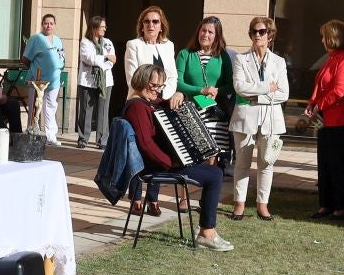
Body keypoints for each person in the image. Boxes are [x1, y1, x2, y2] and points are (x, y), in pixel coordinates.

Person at [123, 64, 234, 251]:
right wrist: (172, 162)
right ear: (141, 81)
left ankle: (207, 229)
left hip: (160, 163)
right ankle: (207, 233)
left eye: (161, 87)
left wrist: (180, 95)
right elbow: (146, 145)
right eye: (154, 86)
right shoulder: (137, 107)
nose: (158, 91)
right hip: (154, 166)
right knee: (214, 175)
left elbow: (162, 104)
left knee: (211, 169)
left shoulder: (147, 102)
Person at [231, 16, 289, 220]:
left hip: (270, 120)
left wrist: (255, 95)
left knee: (267, 163)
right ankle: (239, 204)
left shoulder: (279, 62)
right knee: (242, 162)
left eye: (262, 32)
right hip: (244, 118)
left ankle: (262, 205)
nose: (257, 35)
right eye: (254, 32)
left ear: (270, 35)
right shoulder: (240, 59)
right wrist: (267, 89)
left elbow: (283, 93)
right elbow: (239, 87)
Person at [306, 20, 344, 220]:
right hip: (326, 119)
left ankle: (342, 208)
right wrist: (312, 103)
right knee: (324, 163)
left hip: (340, 119)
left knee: (337, 164)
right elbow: (321, 84)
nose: (321, 40)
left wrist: (319, 105)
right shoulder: (332, 57)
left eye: (324, 36)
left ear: (333, 37)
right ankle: (325, 205)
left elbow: (340, 90)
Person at [177, 16, 236, 164]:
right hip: (192, 108)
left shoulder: (223, 56)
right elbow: (177, 83)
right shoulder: (185, 54)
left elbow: (231, 85)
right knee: (197, 153)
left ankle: (212, 181)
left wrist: (216, 91)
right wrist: (202, 90)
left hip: (216, 110)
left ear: (217, 36)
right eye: (203, 30)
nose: (206, 35)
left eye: (210, 32)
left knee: (214, 155)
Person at [123, 6, 180, 106]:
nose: (151, 25)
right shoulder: (133, 45)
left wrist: (164, 97)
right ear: (142, 26)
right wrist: (149, 97)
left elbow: (172, 76)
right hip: (141, 101)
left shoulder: (169, 45)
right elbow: (132, 79)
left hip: (164, 100)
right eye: (146, 21)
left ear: (161, 26)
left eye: (155, 21)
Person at [22, 13, 65, 143]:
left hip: (54, 79)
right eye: (46, 23)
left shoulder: (58, 39)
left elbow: (61, 55)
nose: (48, 26)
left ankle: (51, 136)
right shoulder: (35, 39)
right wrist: (35, 69)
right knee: (35, 106)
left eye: (51, 23)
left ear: (55, 25)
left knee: (51, 106)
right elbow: (25, 58)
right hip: (38, 79)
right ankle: (32, 132)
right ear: (42, 24)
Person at [76, 16, 116, 148]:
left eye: (105, 26)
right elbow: (88, 58)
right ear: (94, 28)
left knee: (103, 110)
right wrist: (104, 57)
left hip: (105, 81)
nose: (105, 29)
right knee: (86, 110)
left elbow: (113, 60)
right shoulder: (85, 42)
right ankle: (83, 138)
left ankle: (102, 140)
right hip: (87, 81)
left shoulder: (108, 42)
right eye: (102, 26)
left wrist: (102, 62)